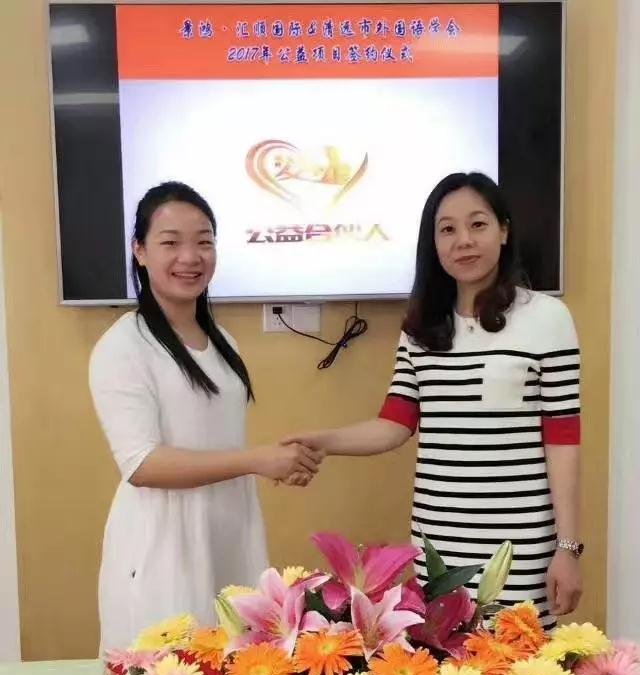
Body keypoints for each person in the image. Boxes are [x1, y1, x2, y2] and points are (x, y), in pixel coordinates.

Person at [285, 172, 582, 628]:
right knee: (444, 664)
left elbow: (562, 441)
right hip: (439, 541)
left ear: (503, 231)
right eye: (447, 229)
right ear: (434, 243)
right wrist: (321, 441)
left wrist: (568, 548)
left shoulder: (547, 319)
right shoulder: (420, 327)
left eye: (478, 224)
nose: (464, 241)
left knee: (521, 663)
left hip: (520, 545)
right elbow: (394, 424)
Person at [90, 181, 322, 650]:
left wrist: (279, 462)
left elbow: (220, 442)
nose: (190, 257)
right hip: (162, 547)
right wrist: (257, 460)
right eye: (170, 242)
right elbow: (142, 464)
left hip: (229, 531)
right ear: (139, 251)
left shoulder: (222, 342)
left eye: (204, 241)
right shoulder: (123, 346)